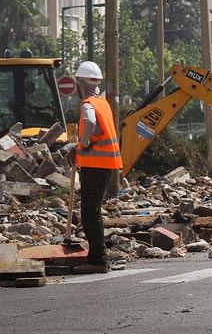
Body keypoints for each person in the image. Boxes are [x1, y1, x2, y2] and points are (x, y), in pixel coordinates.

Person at [70, 61, 123, 275]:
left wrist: (82, 143)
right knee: (93, 211)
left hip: (94, 165)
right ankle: (98, 257)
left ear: (81, 84)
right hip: (106, 165)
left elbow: (90, 123)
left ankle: (98, 260)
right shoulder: (104, 103)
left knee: (90, 213)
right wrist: (79, 146)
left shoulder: (88, 104)